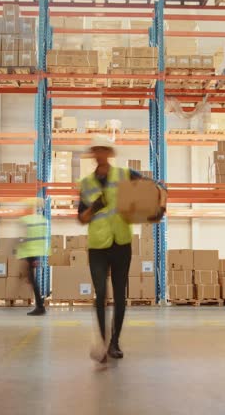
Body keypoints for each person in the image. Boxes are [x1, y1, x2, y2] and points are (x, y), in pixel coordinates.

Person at [78, 135, 165, 363]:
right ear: (93, 153)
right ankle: (103, 341)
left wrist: (159, 206)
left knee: (119, 294)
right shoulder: (86, 183)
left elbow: (154, 187)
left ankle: (114, 343)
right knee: (100, 294)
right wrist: (95, 206)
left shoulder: (125, 175)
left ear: (110, 153)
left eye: (104, 150)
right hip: (97, 244)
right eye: (96, 150)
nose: (100, 154)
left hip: (121, 243)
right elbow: (81, 218)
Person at [16, 198, 49, 316]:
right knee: (32, 280)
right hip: (36, 253)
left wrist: (20, 253)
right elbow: (43, 239)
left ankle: (40, 306)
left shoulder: (27, 220)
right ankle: (40, 305)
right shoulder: (42, 220)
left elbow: (23, 238)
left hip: (30, 253)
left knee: (33, 281)